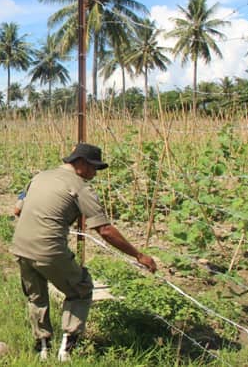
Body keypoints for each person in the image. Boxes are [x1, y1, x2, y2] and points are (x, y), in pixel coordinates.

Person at [11, 143, 157, 362]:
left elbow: (17, 210)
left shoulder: (40, 176)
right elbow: (105, 230)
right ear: (80, 163)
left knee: (36, 295)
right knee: (81, 288)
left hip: (20, 247)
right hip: (49, 249)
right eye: (94, 168)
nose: (95, 174)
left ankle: (42, 347)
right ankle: (67, 348)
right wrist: (138, 255)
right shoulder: (79, 187)